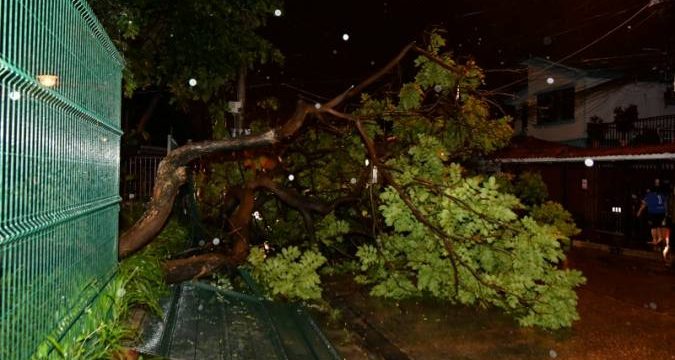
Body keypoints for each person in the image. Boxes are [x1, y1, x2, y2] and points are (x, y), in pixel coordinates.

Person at [637, 180, 670, 261]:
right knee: (657, 225)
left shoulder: (649, 195)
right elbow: (665, 203)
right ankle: (659, 238)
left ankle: (655, 239)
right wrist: (666, 212)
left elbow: (644, 204)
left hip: (654, 212)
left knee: (653, 226)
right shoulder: (661, 195)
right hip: (661, 212)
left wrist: (639, 211)